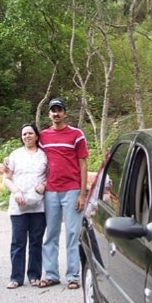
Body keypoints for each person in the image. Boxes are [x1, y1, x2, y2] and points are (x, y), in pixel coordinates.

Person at [38, 98, 89, 290]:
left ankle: (73, 276)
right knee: (51, 233)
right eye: (53, 111)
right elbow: (33, 154)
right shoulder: (43, 136)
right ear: (49, 114)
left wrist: (82, 193)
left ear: (65, 113)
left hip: (72, 190)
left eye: (59, 110)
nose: (56, 114)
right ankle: (51, 274)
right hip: (50, 191)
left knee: (73, 233)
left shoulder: (76, 134)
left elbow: (83, 163)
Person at [3, 123, 48, 289]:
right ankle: (16, 277)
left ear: (36, 136)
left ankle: (35, 275)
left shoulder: (44, 155)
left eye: (30, 133)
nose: (27, 136)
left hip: (39, 205)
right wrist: (16, 192)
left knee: (36, 241)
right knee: (18, 242)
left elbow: (51, 175)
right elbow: (6, 178)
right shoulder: (14, 155)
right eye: (24, 134)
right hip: (18, 206)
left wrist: (44, 184)